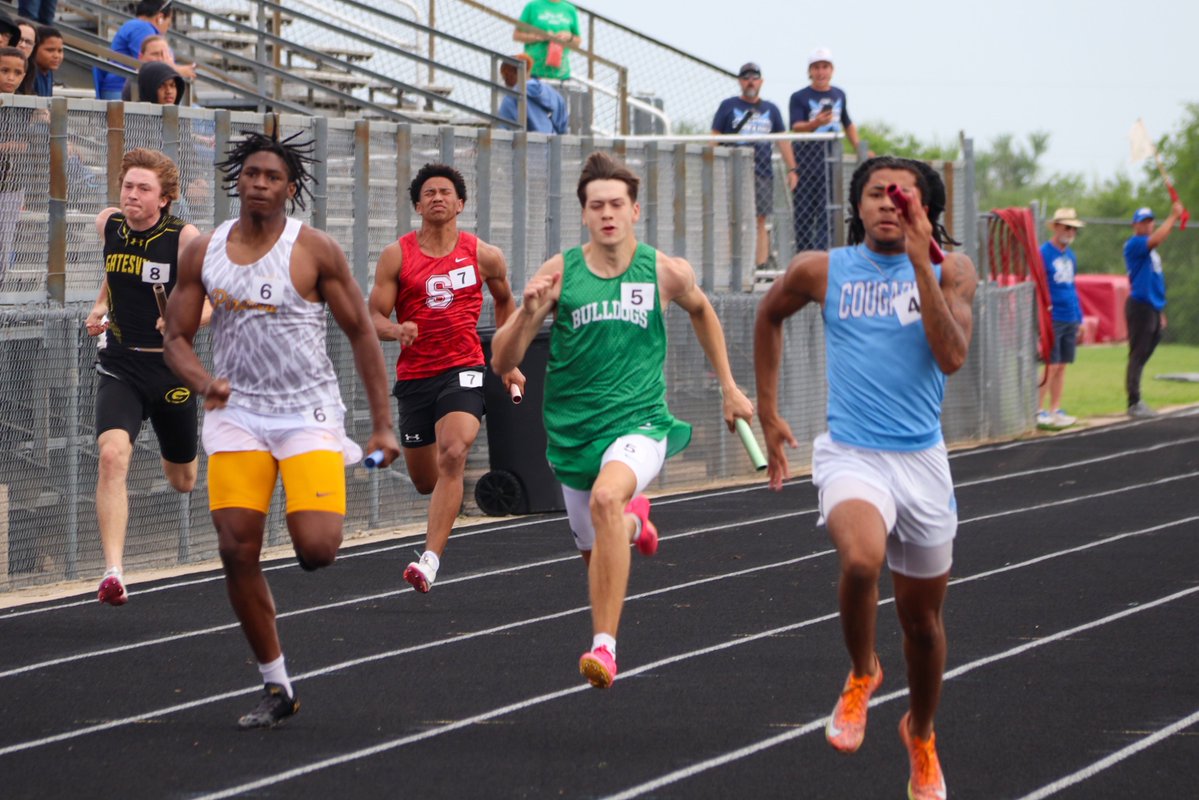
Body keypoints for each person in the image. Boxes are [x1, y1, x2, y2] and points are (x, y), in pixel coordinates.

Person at [753, 156, 976, 800]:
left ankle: (922, 733)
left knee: (923, 627)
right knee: (859, 562)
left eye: (902, 197)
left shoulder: (949, 270)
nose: (888, 203)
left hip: (922, 464)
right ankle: (862, 672)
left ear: (925, 210)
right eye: (876, 194)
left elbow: (953, 356)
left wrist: (917, 261)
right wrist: (768, 411)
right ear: (857, 206)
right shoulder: (821, 270)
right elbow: (768, 316)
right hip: (852, 452)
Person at [163, 128, 400, 729]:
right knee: (235, 548)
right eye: (252, 175)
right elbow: (176, 338)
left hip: (306, 413)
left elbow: (362, 334)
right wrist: (201, 380)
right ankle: (277, 685)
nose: (260, 184)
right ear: (237, 181)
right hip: (237, 413)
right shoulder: (204, 250)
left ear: (290, 189)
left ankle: (313, 535)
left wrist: (383, 426)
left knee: (317, 551)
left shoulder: (314, 249)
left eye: (273, 177)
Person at [491, 151, 754, 690]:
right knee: (599, 558)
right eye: (596, 206)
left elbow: (703, 310)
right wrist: (525, 311)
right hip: (572, 436)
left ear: (635, 211)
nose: (607, 213)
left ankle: (604, 649)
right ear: (584, 215)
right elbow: (502, 361)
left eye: (616, 204)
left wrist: (729, 387)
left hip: (640, 423)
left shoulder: (664, 270)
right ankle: (637, 524)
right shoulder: (559, 272)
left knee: (609, 499)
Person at [367, 163, 523, 594]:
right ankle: (438, 495)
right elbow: (374, 315)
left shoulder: (483, 254)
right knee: (426, 480)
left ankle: (429, 559)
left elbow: (506, 302)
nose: (437, 198)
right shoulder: (396, 255)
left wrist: (506, 360)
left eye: (445, 192)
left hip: (465, 368)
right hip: (416, 376)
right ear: (417, 205)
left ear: (460, 204)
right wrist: (396, 330)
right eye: (429, 193)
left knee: (454, 452)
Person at [82, 148, 205, 605]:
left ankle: (175, 448)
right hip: (121, 364)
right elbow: (114, 273)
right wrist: (100, 307)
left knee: (183, 480)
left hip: (170, 368)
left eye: (143, 189)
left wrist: (183, 319)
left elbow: (214, 297)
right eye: (127, 186)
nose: (132, 195)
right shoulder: (108, 224)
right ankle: (113, 571)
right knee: (111, 456)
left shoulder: (184, 238)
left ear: (165, 198)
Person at [711, 61, 797, 270]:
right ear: (740, 81)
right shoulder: (728, 106)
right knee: (734, 218)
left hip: (762, 172)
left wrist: (792, 168)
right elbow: (714, 137)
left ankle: (760, 266)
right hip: (735, 171)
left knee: (760, 219)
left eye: (754, 78)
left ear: (761, 81)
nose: (751, 82)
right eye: (746, 78)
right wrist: (711, 164)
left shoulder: (771, 109)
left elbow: (782, 140)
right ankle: (733, 265)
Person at [788, 47, 867, 253]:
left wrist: (859, 148)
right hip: (806, 160)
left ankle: (824, 255)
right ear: (810, 71)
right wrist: (815, 123)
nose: (821, 72)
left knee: (828, 212)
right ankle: (804, 255)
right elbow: (796, 126)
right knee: (804, 213)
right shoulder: (799, 97)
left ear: (831, 70)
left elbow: (847, 122)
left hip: (831, 162)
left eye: (825, 67)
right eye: (816, 67)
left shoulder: (839, 94)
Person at [1123, 201, 1185, 418]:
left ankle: (1136, 395)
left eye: (1150, 222)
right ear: (1135, 225)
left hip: (1152, 307)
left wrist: (1160, 310)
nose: (1147, 226)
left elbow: (1154, 281)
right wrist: (1174, 216)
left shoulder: (1150, 251)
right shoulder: (1135, 244)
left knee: (1146, 351)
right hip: (1140, 305)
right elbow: (1157, 239)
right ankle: (1134, 401)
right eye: (1143, 222)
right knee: (1138, 353)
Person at [1036, 208, 1085, 430]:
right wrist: (1039, 321)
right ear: (1055, 227)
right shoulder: (1044, 253)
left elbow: (1072, 287)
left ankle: (1056, 409)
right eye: (1066, 227)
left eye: (1073, 228)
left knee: (1062, 365)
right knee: (1051, 365)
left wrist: (1079, 318)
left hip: (1069, 316)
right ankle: (1038, 409)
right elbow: (1038, 287)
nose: (1070, 231)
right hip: (1052, 317)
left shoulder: (1070, 256)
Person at [94, 0, 194, 100]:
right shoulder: (141, 28)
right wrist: (179, 70)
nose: (166, 29)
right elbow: (153, 65)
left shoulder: (138, 26)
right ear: (160, 18)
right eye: (168, 24)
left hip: (125, 91)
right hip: (122, 92)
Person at [498, 52, 568, 134]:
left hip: (524, 144)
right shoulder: (552, 93)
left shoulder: (512, 97)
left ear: (509, 75)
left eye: (504, 77)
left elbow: (504, 129)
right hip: (551, 142)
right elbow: (562, 125)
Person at [513, 0, 581, 82]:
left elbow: (578, 41)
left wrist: (569, 37)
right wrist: (538, 37)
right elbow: (517, 35)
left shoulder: (570, 9)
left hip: (561, 75)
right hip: (534, 71)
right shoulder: (532, 6)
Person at [23, 24, 61, 97]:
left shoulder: (49, 71)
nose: (57, 56)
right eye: (50, 50)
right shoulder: (28, 71)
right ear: (35, 48)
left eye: (60, 51)